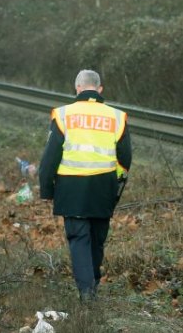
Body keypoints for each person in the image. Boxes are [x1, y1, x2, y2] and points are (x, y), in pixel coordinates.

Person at [39, 70, 133, 300]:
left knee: (79, 239)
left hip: (71, 188)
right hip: (103, 186)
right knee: (97, 238)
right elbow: (125, 157)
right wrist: (116, 183)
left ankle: (86, 292)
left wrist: (47, 189)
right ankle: (94, 283)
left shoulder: (63, 115)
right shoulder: (117, 117)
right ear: (100, 89)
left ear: (77, 88)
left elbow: (50, 158)